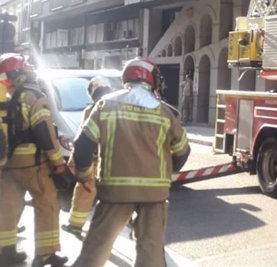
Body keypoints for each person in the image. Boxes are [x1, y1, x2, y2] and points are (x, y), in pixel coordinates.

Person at [71, 57, 190, 267]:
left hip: (115, 191)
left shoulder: (105, 105)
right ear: (152, 79)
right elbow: (182, 152)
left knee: (96, 247)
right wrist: (166, 172)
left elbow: (83, 146)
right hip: (154, 195)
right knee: (151, 251)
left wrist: (82, 176)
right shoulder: (166, 113)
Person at [0, 53, 68, 267]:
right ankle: (46, 255)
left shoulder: (4, 97)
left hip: (7, 165)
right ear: (21, 72)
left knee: (7, 208)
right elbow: (44, 132)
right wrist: (58, 162)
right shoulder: (33, 96)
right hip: (34, 164)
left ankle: (5, 250)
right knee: (46, 204)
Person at [61, 77, 113, 235]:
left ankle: (75, 225)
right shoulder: (118, 108)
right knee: (116, 195)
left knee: (85, 190)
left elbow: (82, 138)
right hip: (113, 159)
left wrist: (75, 162)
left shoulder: (91, 110)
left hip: (94, 159)